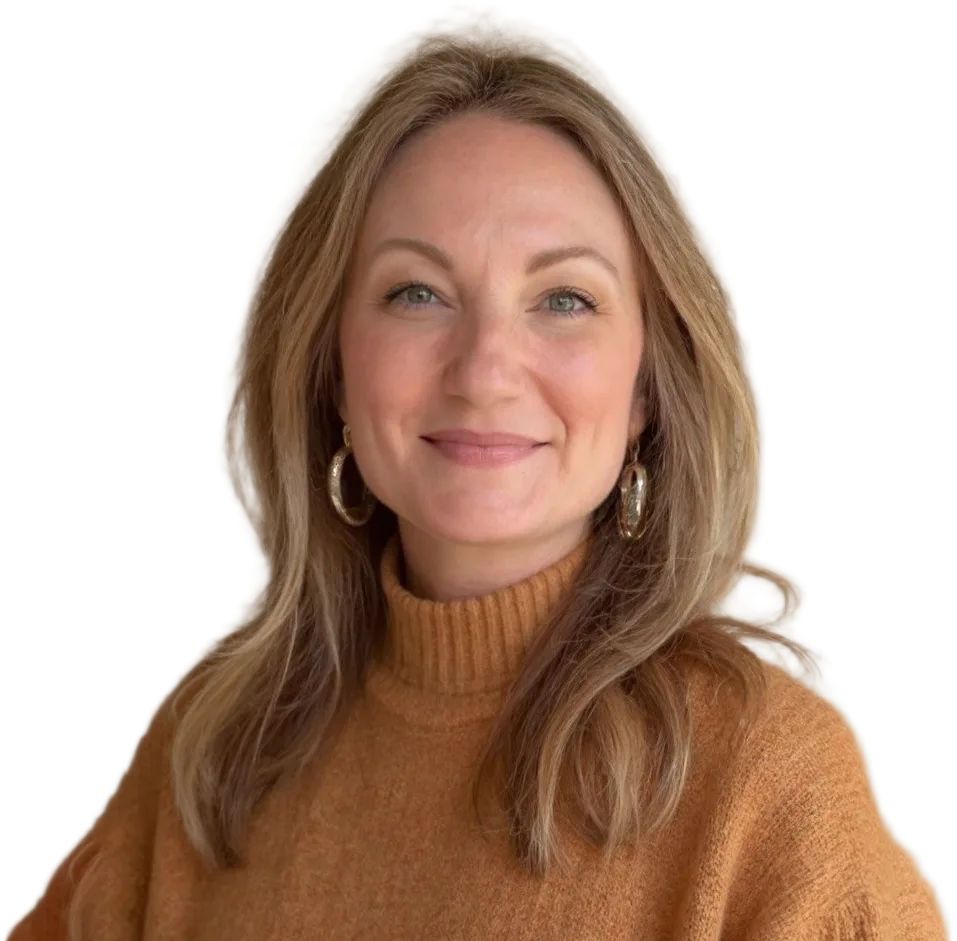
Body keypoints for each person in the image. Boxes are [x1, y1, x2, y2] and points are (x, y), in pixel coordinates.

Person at [6, 6, 950, 939]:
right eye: (416, 292)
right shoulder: (215, 750)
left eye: (564, 299)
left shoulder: (767, 785)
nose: (484, 370)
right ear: (331, 367)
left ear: (646, 389)